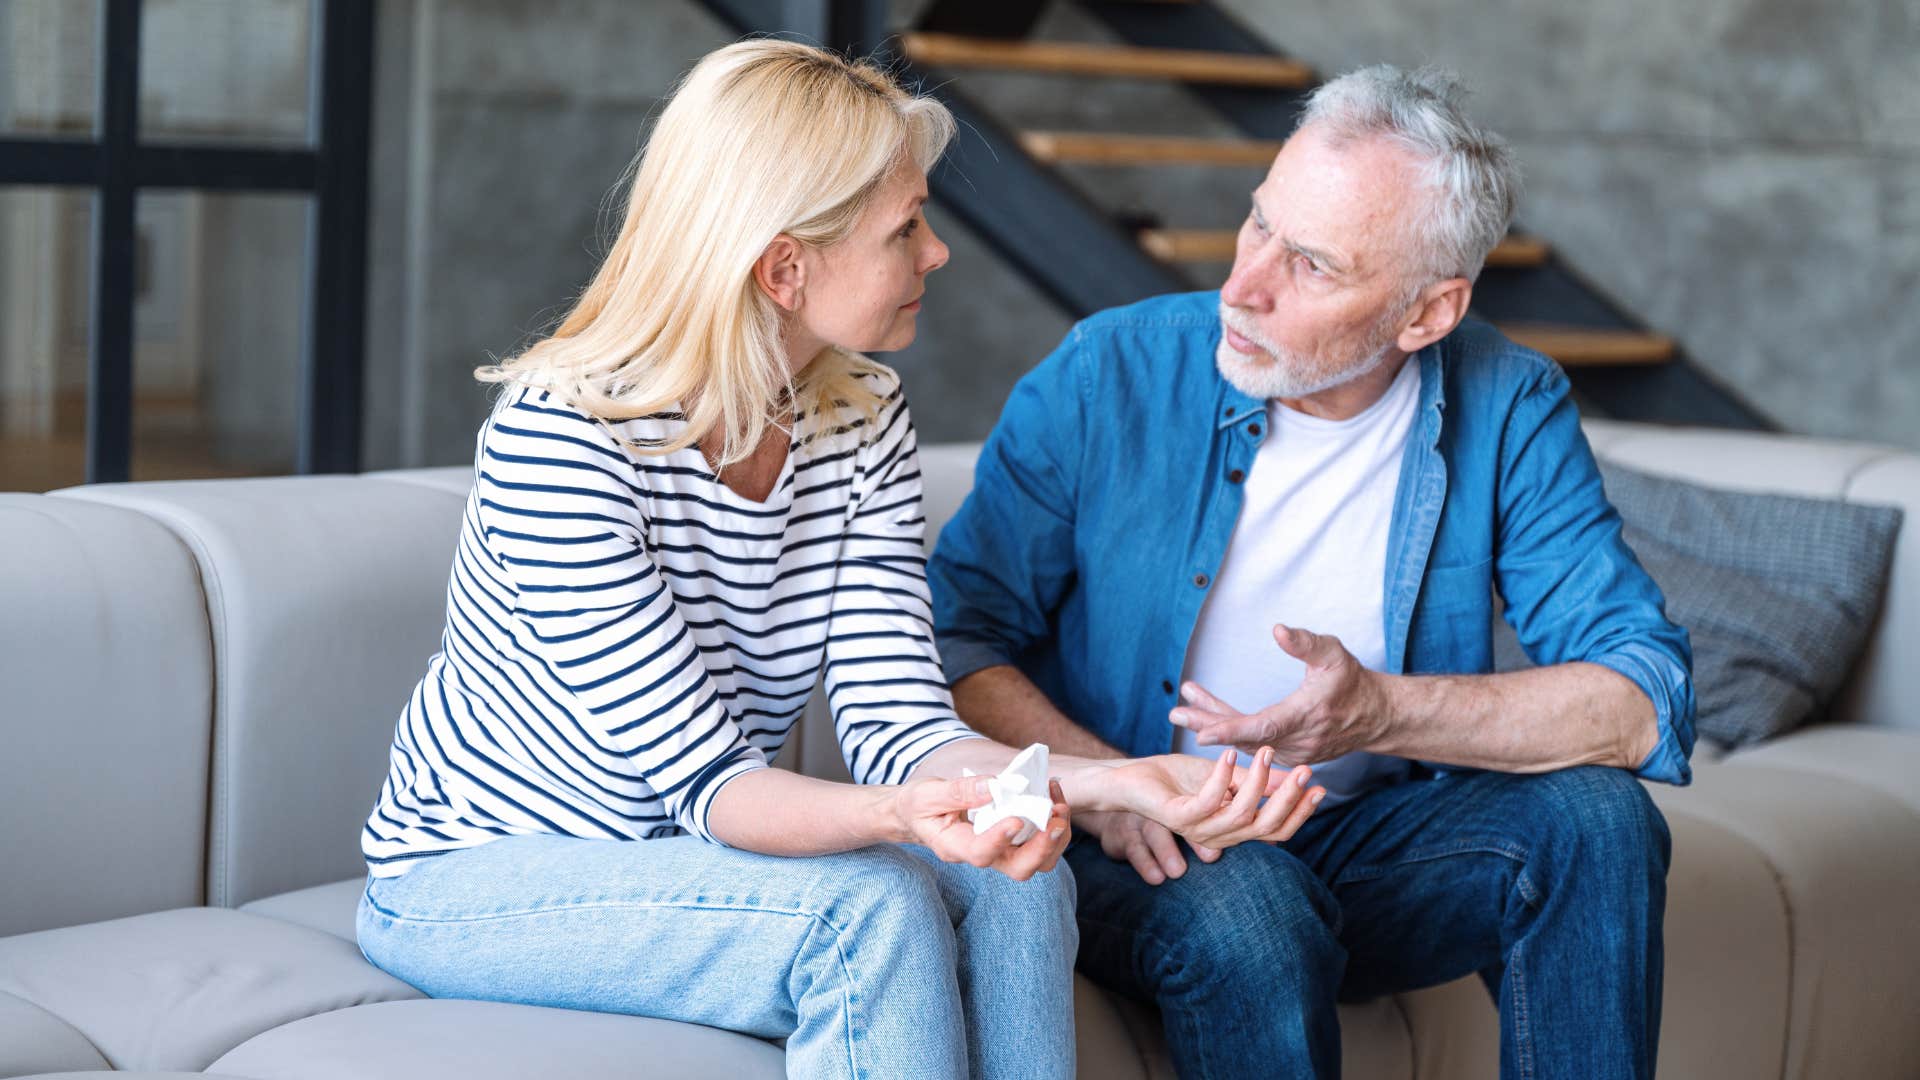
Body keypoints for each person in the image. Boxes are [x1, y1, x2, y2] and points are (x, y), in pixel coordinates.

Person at [356, 40, 1316, 1080]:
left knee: (1016, 868)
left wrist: (1121, 786)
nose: (937, 251)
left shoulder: (860, 418)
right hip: (478, 878)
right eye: (905, 227)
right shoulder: (561, 441)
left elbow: (900, 721)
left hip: (692, 858)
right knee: (871, 908)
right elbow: (712, 789)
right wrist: (906, 820)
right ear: (783, 268)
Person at [928, 65, 1695, 1080]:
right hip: (1132, 840)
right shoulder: (1105, 373)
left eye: (1314, 266)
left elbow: (1642, 698)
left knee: (1598, 823)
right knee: (1248, 902)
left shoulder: (1509, 404)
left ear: (1427, 315)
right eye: (1257, 226)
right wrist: (1116, 789)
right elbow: (953, 638)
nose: (1243, 286)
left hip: (1367, 845)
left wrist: (1377, 712)